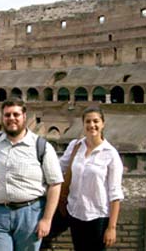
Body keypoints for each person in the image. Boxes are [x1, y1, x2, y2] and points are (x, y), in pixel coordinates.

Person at [0, 100, 63, 251]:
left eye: (16, 114)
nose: (11, 118)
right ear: (2, 118)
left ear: (24, 116)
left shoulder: (42, 146)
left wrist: (47, 219)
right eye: (7, 115)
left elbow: (55, 184)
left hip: (30, 213)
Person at [60, 106, 124, 251]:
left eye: (96, 121)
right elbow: (58, 168)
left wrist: (112, 228)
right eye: (88, 122)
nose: (92, 125)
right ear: (83, 124)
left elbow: (115, 193)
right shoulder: (75, 146)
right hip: (75, 213)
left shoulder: (111, 154)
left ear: (103, 124)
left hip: (98, 216)